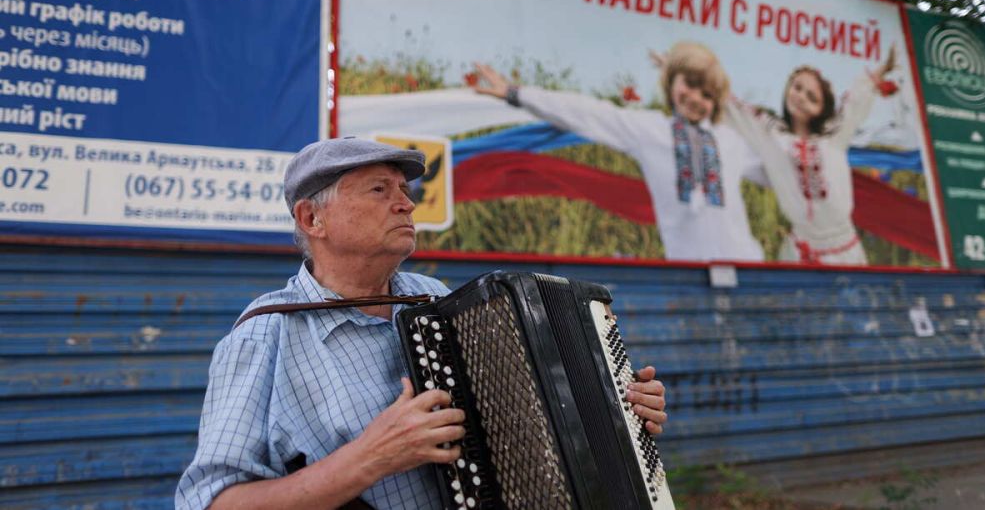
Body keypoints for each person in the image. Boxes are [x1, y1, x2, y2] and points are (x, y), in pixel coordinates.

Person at [175, 137, 669, 509]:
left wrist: (614, 406)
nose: (407, 203)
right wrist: (371, 456)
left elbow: (528, 420)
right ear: (311, 219)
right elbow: (211, 502)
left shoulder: (443, 301)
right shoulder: (264, 334)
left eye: (404, 190)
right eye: (379, 189)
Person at [474, 41, 768, 262]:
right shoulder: (650, 130)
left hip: (747, 268)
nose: (695, 98)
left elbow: (779, 172)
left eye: (707, 95)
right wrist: (517, 94)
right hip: (688, 272)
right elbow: (589, 113)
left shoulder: (731, 141)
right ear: (671, 83)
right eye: (689, 85)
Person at [724, 47, 897, 265]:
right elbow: (737, 111)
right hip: (800, 252)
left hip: (844, 252)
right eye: (797, 87)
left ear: (822, 109)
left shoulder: (834, 137)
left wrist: (880, 71)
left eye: (812, 97)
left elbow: (854, 103)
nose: (800, 97)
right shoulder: (773, 136)